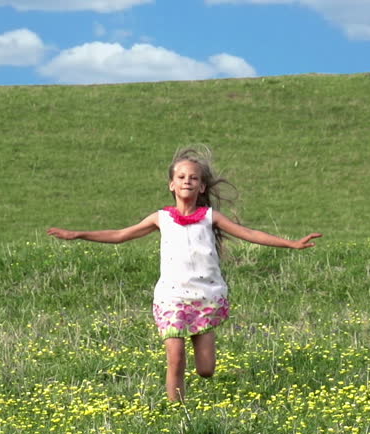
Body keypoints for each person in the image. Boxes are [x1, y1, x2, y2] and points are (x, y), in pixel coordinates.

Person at [47, 146, 321, 402]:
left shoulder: (210, 217)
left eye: (193, 178)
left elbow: (250, 234)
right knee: (176, 358)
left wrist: (291, 243)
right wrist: (79, 234)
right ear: (171, 184)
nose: (187, 181)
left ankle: (200, 360)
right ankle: (175, 411)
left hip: (206, 296)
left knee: (206, 371)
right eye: (181, 176)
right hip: (172, 296)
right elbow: (120, 234)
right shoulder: (161, 218)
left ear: (202, 186)